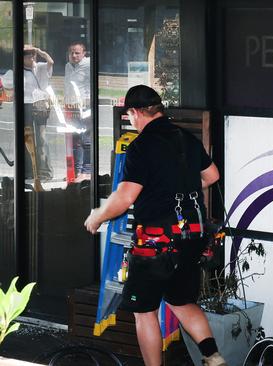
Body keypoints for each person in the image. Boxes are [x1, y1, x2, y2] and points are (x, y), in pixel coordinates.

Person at [83, 85, 226, 366]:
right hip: (191, 238)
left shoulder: (141, 146)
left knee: (144, 310)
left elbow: (125, 197)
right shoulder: (185, 137)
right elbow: (212, 175)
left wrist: (97, 216)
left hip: (156, 244)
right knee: (182, 302)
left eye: (129, 117)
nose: (131, 123)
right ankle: (213, 357)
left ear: (136, 113)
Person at [23, 45, 54, 181]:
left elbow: (51, 62)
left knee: (42, 138)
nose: (31, 58)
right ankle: (29, 170)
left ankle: (45, 171)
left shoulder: (39, 67)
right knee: (28, 138)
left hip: (40, 103)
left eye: (32, 55)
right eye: (27, 56)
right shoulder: (19, 70)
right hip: (25, 104)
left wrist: (38, 50)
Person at [64, 41, 91, 181]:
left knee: (86, 139)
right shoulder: (68, 66)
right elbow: (67, 86)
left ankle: (87, 171)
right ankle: (76, 171)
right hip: (71, 106)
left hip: (85, 106)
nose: (74, 55)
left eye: (77, 53)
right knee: (75, 140)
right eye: (71, 53)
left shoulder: (88, 64)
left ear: (84, 53)